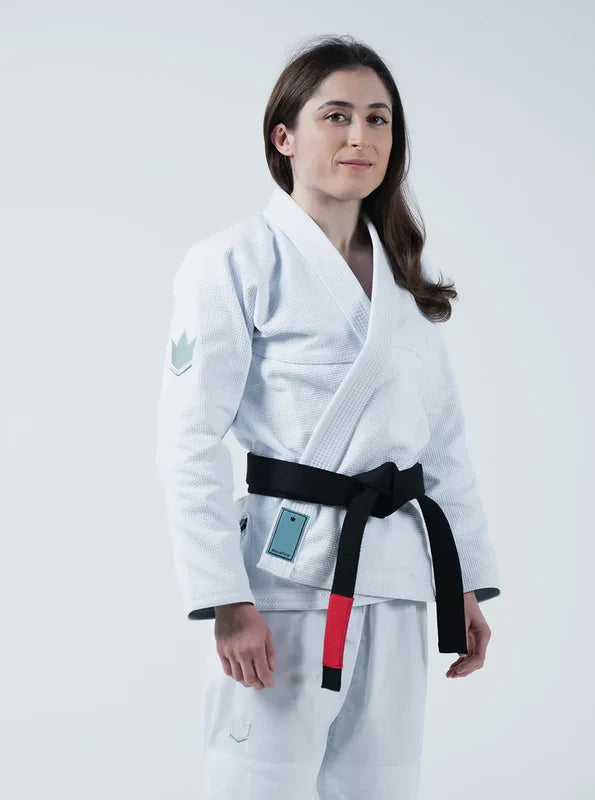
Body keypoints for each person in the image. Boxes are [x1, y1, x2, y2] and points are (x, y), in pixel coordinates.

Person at [155, 34, 501, 800]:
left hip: (399, 581)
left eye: (378, 119)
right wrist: (227, 597)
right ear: (284, 137)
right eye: (336, 115)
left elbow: (443, 445)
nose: (360, 136)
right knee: (258, 786)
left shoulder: (407, 278)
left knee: (382, 789)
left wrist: (464, 581)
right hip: (285, 579)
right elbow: (188, 440)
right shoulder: (233, 261)